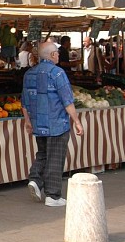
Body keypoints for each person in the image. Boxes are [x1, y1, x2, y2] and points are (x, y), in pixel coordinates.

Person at [22, 41, 83, 207]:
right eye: (56, 52)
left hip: (38, 123)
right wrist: (77, 121)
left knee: (42, 153)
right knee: (55, 157)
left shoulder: (29, 74)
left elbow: (24, 101)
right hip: (57, 122)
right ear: (52, 55)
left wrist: (28, 121)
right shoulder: (57, 73)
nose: (58, 55)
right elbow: (67, 100)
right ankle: (53, 196)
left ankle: (35, 180)